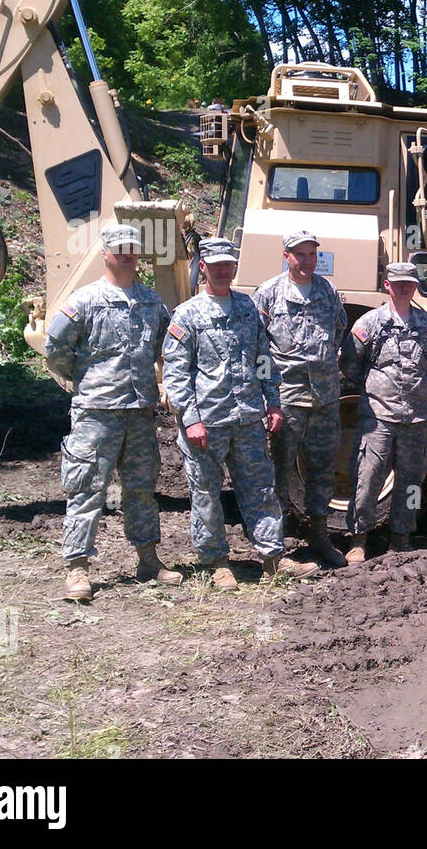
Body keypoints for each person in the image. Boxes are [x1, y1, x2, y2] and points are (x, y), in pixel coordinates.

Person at [161, 237, 319, 589]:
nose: (222, 270)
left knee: (260, 490)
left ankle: (272, 560)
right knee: (206, 493)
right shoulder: (187, 315)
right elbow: (176, 373)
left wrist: (273, 401)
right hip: (207, 422)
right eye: (214, 264)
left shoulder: (247, 309)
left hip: (247, 418)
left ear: (234, 267)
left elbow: (264, 358)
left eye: (228, 264)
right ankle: (217, 562)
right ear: (202, 266)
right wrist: (191, 419)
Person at [45, 222, 178, 601]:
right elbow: (56, 349)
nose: (127, 253)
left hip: (138, 412)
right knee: (87, 489)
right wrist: (87, 380)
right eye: (119, 247)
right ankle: (77, 570)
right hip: (96, 412)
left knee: (142, 489)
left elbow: (160, 347)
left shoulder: (152, 303)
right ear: (104, 253)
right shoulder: (84, 301)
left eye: (133, 248)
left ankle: (148, 560)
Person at [340, 262, 427, 562]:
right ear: (387, 285)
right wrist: (372, 386)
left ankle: (401, 536)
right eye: (397, 283)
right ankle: (359, 539)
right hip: (377, 416)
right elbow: (350, 362)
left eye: (409, 284)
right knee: (368, 477)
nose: (403, 288)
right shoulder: (371, 322)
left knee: (412, 482)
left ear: (415, 287)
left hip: (417, 418)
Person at [253, 230, 349, 568]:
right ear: (286, 256)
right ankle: (274, 550)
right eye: (300, 255)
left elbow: (338, 333)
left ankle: (319, 538)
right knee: (277, 473)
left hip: (324, 398)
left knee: (322, 472)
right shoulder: (267, 294)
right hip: (287, 398)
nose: (307, 261)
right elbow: (258, 350)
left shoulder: (328, 291)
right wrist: (269, 399)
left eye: (312, 255)